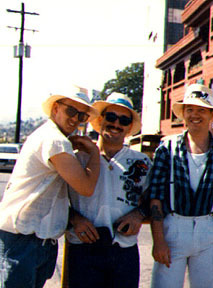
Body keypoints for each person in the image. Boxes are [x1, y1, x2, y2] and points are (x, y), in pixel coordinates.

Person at [0, 87, 100, 288]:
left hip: (36, 239)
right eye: (71, 111)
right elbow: (86, 187)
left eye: (82, 115)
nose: (76, 119)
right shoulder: (55, 141)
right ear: (56, 109)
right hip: (23, 239)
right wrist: (94, 153)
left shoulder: (51, 137)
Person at [149, 84, 213, 288]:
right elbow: (155, 197)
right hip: (173, 228)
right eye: (189, 109)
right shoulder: (167, 148)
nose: (195, 115)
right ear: (183, 114)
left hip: (206, 231)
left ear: (211, 115)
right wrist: (159, 241)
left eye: (201, 109)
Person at [66, 92, 152, 288]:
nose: (116, 124)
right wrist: (74, 219)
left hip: (123, 249)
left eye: (124, 120)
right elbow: (56, 199)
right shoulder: (76, 158)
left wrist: (138, 214)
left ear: (129, 127)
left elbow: (154, 199)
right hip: (82, 247)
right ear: (100, 120)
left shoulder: (142, 162)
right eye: (111, 117)